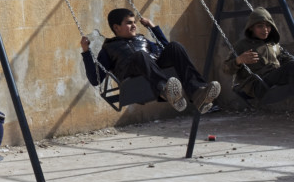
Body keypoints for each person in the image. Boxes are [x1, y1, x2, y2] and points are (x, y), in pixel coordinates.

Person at [81, 8, 220, 114]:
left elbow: (167, 49)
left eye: (134, 22)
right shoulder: (109, 48)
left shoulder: (142, 39)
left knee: (175, 46)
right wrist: (86, 51)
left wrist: (153, 27)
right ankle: (165, 90)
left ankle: (197, 92)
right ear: (116, 27)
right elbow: (95, 79)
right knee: (140, 55)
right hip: (132, 76)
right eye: (129, 23)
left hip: (153, 69)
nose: (134, 26)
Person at [224, 7, 294, 99]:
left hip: (274, 80)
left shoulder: (273, 44)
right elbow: (226, 69)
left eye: (268, 26)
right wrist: (239, 60)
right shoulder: (242, 45)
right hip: (258, 84)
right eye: (260, 26)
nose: (265, 30)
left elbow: (287, 60)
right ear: (251, 28)